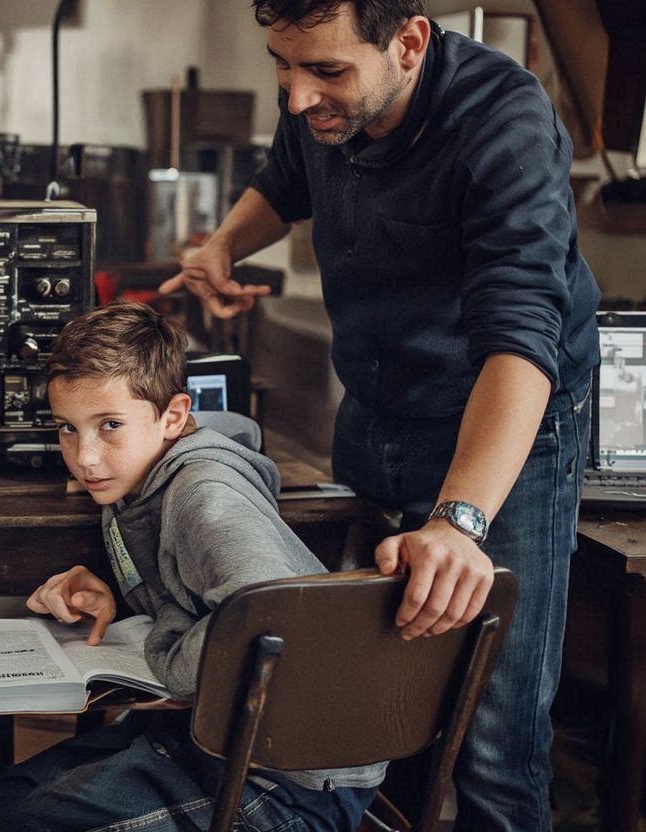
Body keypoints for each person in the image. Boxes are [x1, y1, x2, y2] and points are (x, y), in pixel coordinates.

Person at [162, 2, 599, 829]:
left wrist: (459, 522)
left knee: (492, 734)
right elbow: (284, 183)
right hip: (376, 402)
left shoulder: (503, 122)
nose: (297, 95)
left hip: (505, 424)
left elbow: (520, 344)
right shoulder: (320, 96)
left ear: (409, 42)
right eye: (281, 64)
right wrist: (221, 245)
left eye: (326, 71)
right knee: (372, 702)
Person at [0, 301, 387, 832]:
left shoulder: (204, 493)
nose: (85, 456)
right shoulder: (131, 476)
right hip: (208, 737)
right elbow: (193, 590)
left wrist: (168, 658)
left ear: (174, 417)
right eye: (67, 428)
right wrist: (118, 595)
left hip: (289, 780)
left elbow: (273, 615)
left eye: (110, 425)